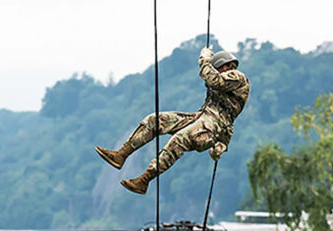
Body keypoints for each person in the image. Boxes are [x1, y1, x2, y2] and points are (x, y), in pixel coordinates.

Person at [95, 47, 251, 195]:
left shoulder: (237, 77)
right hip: (202, 118)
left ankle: (144, 180)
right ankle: (121, 155)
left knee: (179, 140)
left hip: (212, 126)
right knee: (156, 120)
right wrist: (222, 144)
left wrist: (205, 60)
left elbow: (214, 84)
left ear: (223, 67)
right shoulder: (224, 83)